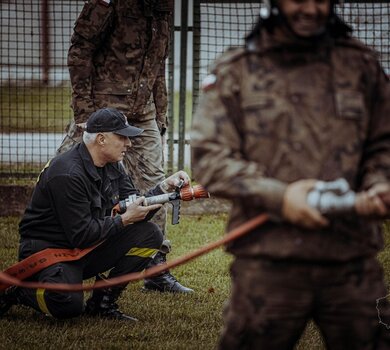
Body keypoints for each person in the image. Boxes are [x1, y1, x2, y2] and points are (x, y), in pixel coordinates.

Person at [191, 0, 390, 348]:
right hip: (268, 263)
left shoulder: (360, 65)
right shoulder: (239, 69)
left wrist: (379, 184)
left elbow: (384, 144)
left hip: (351, 260)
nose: (310, 9)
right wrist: (280, 197)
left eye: (321, 0)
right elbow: (209, 157)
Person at [0, 108, 191, 321]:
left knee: (149, 234)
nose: (129, 143)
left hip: (85, 246)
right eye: (122, 137)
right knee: (67, 307)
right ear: (101, 139)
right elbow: (81, 234)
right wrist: (124, 219)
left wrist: (164, 188)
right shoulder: (67, 173)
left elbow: (134, 206)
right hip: (49, 252)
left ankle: (103, 303)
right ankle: (18, 291)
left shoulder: (113, 165)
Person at [57, 0, 192, 293]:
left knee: (156, 185)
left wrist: (160, 114)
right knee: (63, 175)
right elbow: (80, 51)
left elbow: (157, 67)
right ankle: (48, 255)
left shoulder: (162, 9)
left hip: (142, 112)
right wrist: (84, 114)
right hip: (102, 110)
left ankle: (155, 267)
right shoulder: (110, 3)